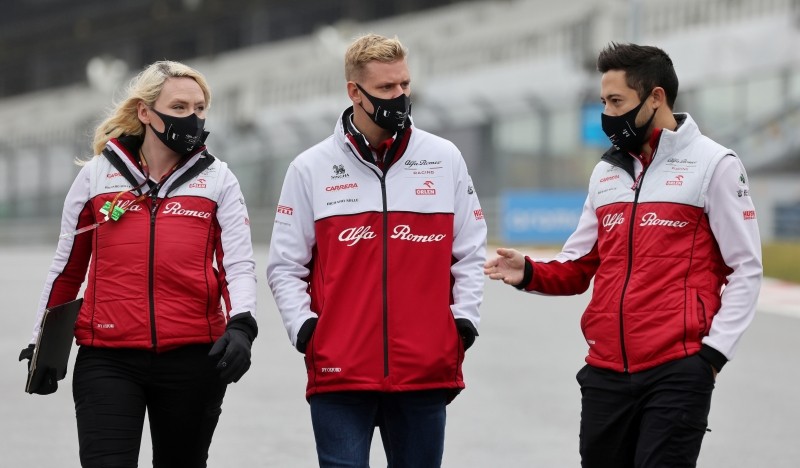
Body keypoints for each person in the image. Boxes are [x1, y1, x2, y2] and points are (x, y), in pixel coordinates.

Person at [485, 42, 762, 468]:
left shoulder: (714, 164)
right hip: (605, 370)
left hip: (678, 369)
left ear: (656, 97)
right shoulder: (606, 172)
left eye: (617, 102)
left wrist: (712, 357)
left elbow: (746, 268)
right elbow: (579, 266)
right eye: (603, 102)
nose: (608, 114)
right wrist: (529, 272)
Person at [18, 60, 258, 468]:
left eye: (200, 109)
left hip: (194, 358)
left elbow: (237, 264)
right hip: (107, 358)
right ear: (145, 112)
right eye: (179, 108)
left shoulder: (219, 179)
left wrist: (242, 326)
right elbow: (68, 269)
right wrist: (45, 342)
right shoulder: (95, 177)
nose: (193, 118)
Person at [266, 33, 486, 467]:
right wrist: (306, 331)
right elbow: (285, 266)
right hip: (339, 369)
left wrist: (463, 322)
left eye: (405, 85)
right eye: (387, 88)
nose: (400, 96)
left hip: (424, 369)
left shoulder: (444, 158)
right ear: (355, 92)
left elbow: (471, 252)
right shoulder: (310, 167)